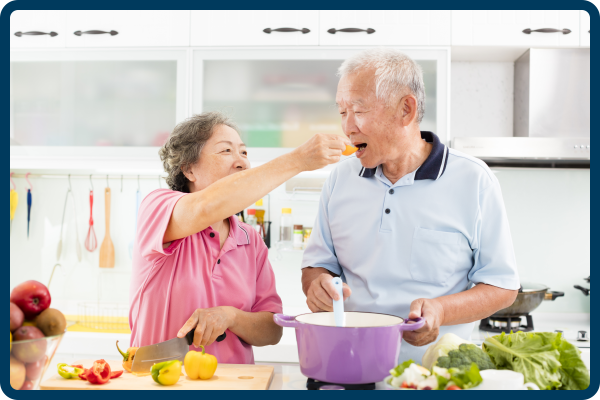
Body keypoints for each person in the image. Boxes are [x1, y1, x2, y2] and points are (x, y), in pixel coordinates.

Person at [301, 48, 520, 362]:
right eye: (342, 112)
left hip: (436, 376)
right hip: (349, 368)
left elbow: (502, 286)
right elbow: (317, 266)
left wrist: (441, 311)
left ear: (406, 109)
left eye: (358, 110)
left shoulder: (474, 180)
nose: (347, 127)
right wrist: (317, 284)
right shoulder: (340, 179)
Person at [129, 111, 349, 364]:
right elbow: (205, 207)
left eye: (244, 152)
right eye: (226, 151)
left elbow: (272, 330)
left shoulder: (250, 239)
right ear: (189, 169)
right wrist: (297, 160)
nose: (242, 162)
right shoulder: (158, 208)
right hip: (158, 384)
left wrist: (231, 316)